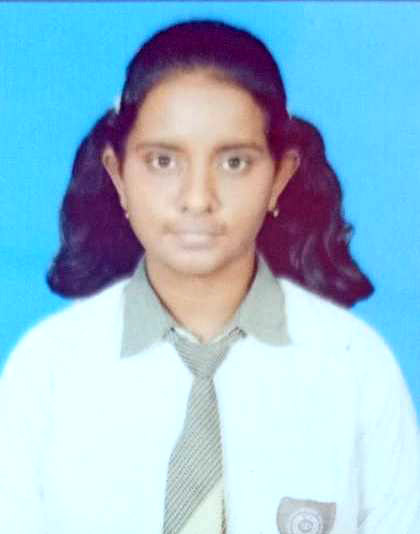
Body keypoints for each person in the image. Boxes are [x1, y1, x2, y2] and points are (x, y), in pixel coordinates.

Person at [0, 19, 418, 534]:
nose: (198, 198)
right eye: (162, 161)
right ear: (118, 174)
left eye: (235, 162)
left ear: (280, 176)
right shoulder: (47, 371)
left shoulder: (356, 370)